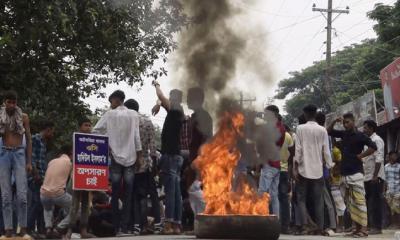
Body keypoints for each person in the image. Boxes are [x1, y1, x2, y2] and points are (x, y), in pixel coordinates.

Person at [93, 90, 142, 236]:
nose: (111, 104)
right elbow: (136, 137)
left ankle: (116, 228)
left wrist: (107, 143)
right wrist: (139, 156)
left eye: (111, 101)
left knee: (114, 194)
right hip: (131, 158)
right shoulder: (134, 114)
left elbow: (96, 131)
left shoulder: (109, 114)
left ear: (115, 100)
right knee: (127, 194)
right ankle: (125, 228)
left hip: (115, 158)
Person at [327, 112, 377, 238]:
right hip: (345, 173)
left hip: (356, 172)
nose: (345, 124)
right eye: (344, 123)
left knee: (360, 201)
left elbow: (373, 146)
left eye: (347, 122)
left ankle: (364, 229)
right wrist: (334, 121)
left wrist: (361, 155)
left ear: (353, 121)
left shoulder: (360, 135)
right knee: (350, 203)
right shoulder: (344, 134)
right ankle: (357, 228)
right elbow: (329, 131)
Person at [293, 105, 333, 235]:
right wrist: (329, 166)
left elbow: (298, 149)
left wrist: (295, 167)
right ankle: (320, 228)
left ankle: (305, 226)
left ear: (305, 114)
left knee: (301, 198)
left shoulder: (300, 128)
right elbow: (326, 151)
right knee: (319, 200)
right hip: (318, 170)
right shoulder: (322, 130)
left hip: (303, 168)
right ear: (315, 114)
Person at [124, 99, 161, 235]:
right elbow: (153, 146)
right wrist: (155, 164)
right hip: (148, 165)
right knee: (153, 195)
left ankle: (137, 226)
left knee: (136, 197)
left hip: (132, 165)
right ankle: (157, 224)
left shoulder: (128, 123)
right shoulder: (147, 121)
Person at [151, 81, 184, 234]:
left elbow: (160, 96)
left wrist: (157, 84)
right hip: (176, 156)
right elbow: (161, 101)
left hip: (170, 156)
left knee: (171, 192)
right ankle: (177, 225)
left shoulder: (175, 109)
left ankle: (169, 225)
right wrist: (158, 104)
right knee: (176, 193)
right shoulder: (178, 111)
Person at [0, 90, 33, 240]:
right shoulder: (0, 116)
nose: (12, 105)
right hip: (3, 154)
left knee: (22, 195)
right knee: (6, 195)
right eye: (9, 102)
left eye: (14, 102)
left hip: (19, 153)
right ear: (4, 102)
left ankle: (23, 229)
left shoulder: (24, 117)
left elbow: (29, 139)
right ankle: (8, 229)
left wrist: (29, 162)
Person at [65, 118, 96, 239]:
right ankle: (69, 230)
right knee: (75, 204)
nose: (88, 127)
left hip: (88, 175)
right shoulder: (76, 139)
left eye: (89, 125)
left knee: (86, 205)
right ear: (80, 127)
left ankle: (83, 230)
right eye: (85, 125)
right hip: (78, 175)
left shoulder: (95, 141)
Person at [40, 144, 73, 240]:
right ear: (71, 154)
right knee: (77, 209)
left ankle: (48, 228)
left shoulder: (52, 161)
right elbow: (72, 182)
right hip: (58, 194)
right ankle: (59, 228)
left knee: (47, 209)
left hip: (43, 193)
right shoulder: (69, 163)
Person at [28, 120, 55, 237]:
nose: (53, 134)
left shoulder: (43, 142)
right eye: (52, 131)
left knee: (40, 204)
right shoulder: (35, 139)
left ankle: (39, 230)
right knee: (35, 203)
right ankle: (29, 229)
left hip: (41, 177)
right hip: (35, 177)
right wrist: (36, 175)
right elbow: (31, 157)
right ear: (48, 130)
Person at [258, 105, 285, 217]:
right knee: (274, 195)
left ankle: (260, 217)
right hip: (276, 164)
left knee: (262, 193)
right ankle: (276, 220)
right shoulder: (280, 127)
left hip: (269, 164)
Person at [362, 120, 385, 235]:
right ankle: (371, 226)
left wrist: (375, 176)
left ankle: (377, 227)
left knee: (375, 203)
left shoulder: (377, 140)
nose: (364, 130)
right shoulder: (367, 142)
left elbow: (379, 158)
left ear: (371, 128)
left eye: (365, 128)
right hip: (367, 177)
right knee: (369, 203)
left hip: (375, 177)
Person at [279, 124, 294, 234]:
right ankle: (286, 226)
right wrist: (290, 169)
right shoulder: (288, 135)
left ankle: (276, 224)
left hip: (272, 169)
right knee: (284, 199)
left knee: (272, 197)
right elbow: (292, 153)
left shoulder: (270, 134)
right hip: (284, 171)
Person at [384, 151, 400, 228]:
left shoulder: (399, 166)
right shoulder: (386, 166)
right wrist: (384, 190)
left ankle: (397, 223)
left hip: (398, 190)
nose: (395, 157)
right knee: (391, 208)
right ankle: (393, 223)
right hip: (389, 191)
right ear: (389, 156)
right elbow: (385, 180)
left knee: (397, 207)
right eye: (393, 156)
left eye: (396, 156)